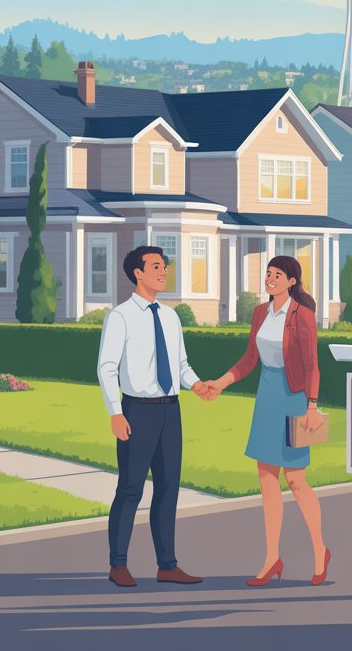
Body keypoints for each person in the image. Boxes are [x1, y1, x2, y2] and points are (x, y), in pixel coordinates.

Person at [204, 255, 331, 586]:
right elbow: (249, 359)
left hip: (293, 397)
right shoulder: (261, 313)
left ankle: (320, 551)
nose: (269, 279)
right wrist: (221, 382)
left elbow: (312, 364)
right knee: (266, 477)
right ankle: (272, 558)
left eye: (277, 275)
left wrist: (312, 406)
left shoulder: (302, 315)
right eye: (268, 274)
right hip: (267, 395)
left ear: (291, 281)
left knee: (296, 478)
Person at [96, 245, 213, 587]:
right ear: (138, 273)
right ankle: (118, 564)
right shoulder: (120, 316)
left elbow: (180, 366)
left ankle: (167, 564)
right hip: (137, 411)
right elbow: (106, 368)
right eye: (157, 266)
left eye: (165, 266)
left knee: (168, 489)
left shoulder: (170, 316)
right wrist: (115, 413)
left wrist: (197, 385)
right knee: (131, 489)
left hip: (169, 413)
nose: (164, 272)